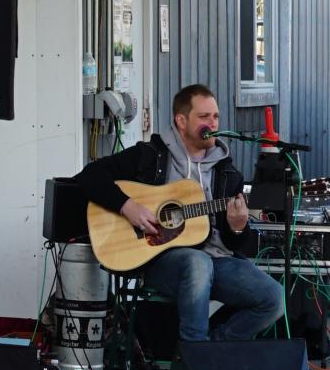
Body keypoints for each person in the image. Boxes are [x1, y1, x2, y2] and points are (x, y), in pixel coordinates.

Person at [74, 83, 283, 342]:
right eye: (204, 116)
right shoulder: (149, 156)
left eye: (216, 116)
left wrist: (237, 226)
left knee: (273, 298)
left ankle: (208, 353)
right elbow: (89, 176)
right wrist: (128, 206)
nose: (213, 123)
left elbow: (235, 243)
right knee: (197, 263)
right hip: (161, 263)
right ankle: (195, 352)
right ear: (181, 120)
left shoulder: (227, 174)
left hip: (217, 261)